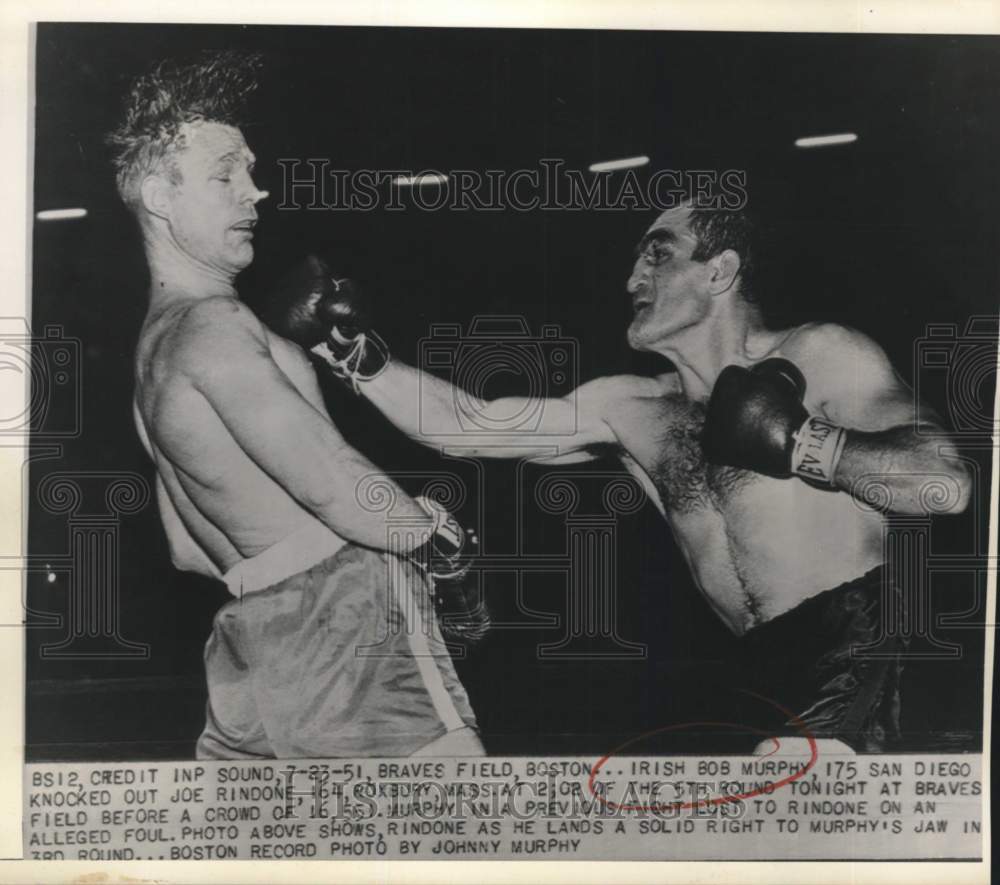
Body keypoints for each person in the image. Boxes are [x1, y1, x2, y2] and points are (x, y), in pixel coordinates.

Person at [270, 200, 972, 754]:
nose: (631, 279)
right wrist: (354, 356)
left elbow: (947, 483)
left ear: (720, 270)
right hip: (757, 670)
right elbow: (472, 425)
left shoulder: (820, 352)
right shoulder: (632, 408)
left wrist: (808, 442)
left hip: (861, 637)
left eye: (656, 256)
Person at [108, 52, 483, 759]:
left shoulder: (150, 357)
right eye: (226, 175)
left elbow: (186, 548)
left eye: (249, 169)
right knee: (459, 844)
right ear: (160, 195)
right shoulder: (217, 326)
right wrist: (441, 541)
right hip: (347, 616)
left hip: (248, 639)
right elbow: (333, 481)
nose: (256, 192)